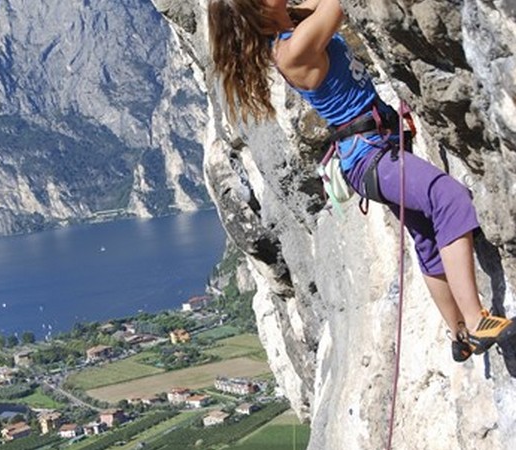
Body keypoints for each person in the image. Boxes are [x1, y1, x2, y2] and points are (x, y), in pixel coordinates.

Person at [207, 0, 515, 362]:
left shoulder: (294, 28)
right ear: (257, 12)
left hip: (372, 152)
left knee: (428, 237)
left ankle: (457, 333)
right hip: (372, 157)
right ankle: (477, 320)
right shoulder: (292, 49)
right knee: (447, 198)